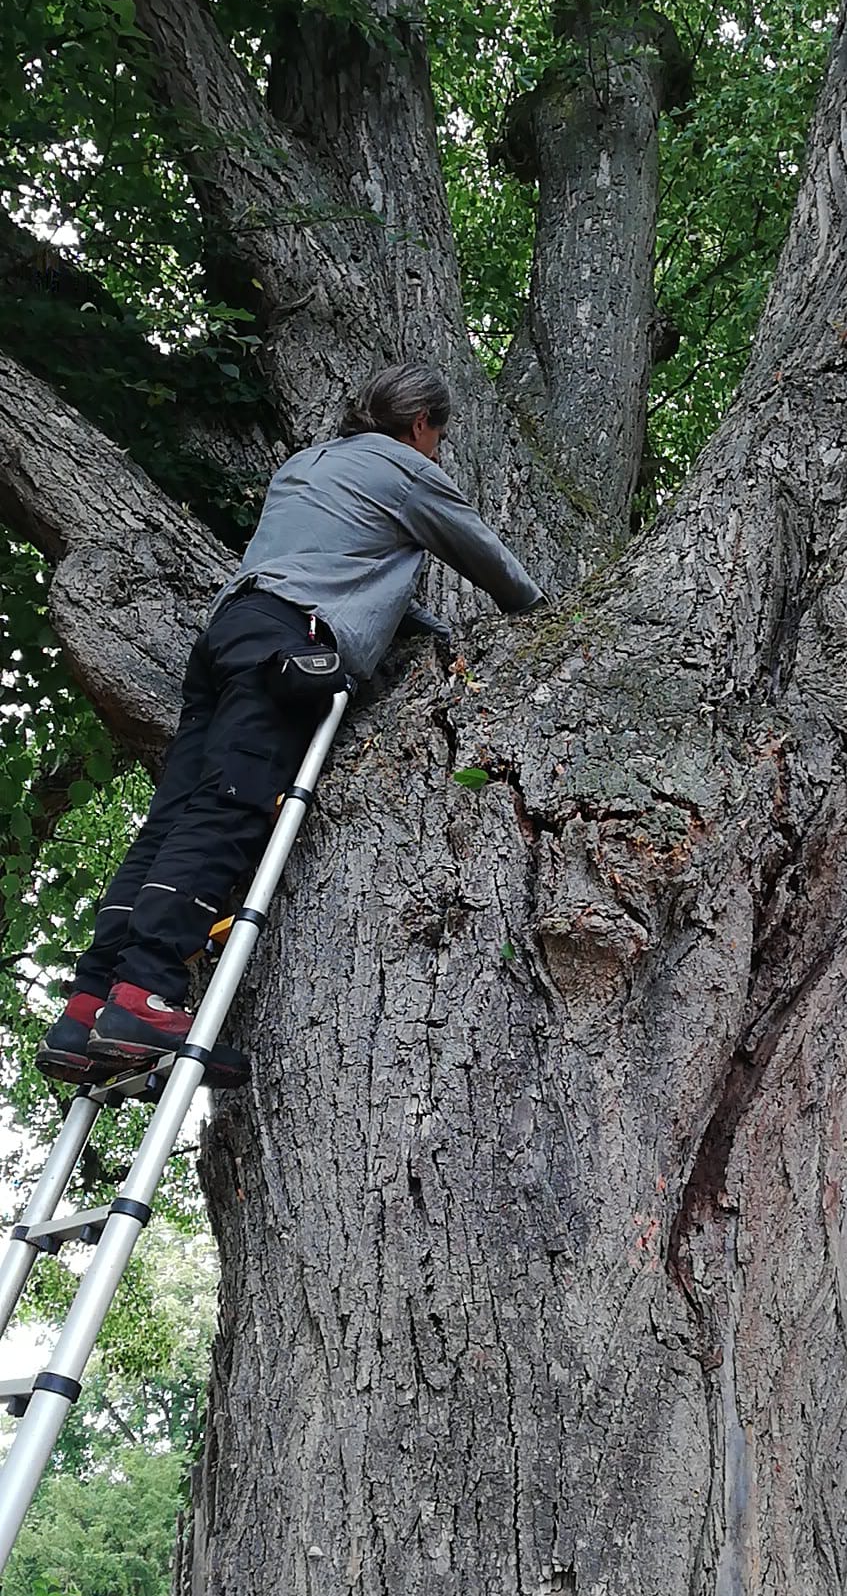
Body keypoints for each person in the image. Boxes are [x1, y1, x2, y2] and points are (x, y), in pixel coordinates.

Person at [36, 363, 546, 1087]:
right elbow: (483, 552)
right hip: (286, 641)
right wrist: (541, 614)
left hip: (227, 634)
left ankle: (89, 1002)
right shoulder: (404, 466)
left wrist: (422, 628)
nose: (438, 450)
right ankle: (145, 995)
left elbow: (340, 566)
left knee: (173, 817)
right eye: (440, 436)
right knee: (229, 807)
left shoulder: (308, 465)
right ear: (421, 424)